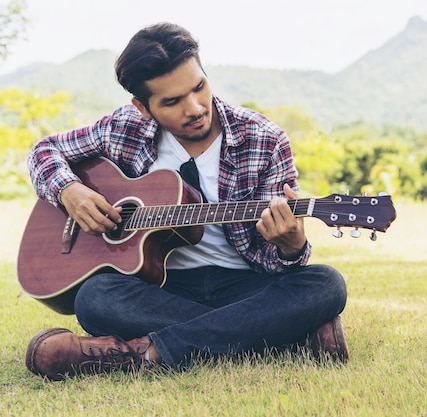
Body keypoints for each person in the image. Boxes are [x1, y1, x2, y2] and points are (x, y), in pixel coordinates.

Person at [24, 22, 348, 381]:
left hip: (242, 287)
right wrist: (71, 191)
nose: (194, 108)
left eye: (199, 87)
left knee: (325, 284)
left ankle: (142, 353)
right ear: (142, 107)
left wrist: (291, 246)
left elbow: (278, 265)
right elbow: (44, 150)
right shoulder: (124, 128)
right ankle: (287, 338)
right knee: (95, 298)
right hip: (158, 289)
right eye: (172, 101)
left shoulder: (264, 139)